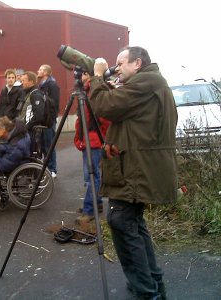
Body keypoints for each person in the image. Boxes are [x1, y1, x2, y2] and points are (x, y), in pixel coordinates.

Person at [89, 46, 178, 300]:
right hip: (141, 168)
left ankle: (146, 290)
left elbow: (106, 106)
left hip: (134, 171)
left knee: (122, 222)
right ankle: (152, 283)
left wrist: (97, 78)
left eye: (120, 63)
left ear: (137, 63)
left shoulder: (145, 84)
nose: (115, 68)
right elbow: (122, 109)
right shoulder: (153, 83)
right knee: (134, 224)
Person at [74, 71, 110, 224]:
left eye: (83, 74)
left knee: (92, 176)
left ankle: (90, 210)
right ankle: (97, 203)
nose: (80, 77)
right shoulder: (87, 91)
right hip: (90, 138)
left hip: (94, 139)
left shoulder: (95, 92)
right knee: (92, 175)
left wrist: (103, 137)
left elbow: (102, 118)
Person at [37, 64, 60, 178]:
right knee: (43, 144)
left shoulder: (52, 85)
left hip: (49, 120)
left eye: (40, 69)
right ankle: (46, 168)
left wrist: (50, 118)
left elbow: (54, 104)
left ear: (46, 72)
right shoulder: (41, 85)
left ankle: (52, 169)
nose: (38, 71)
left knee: (49, 144)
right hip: (42, 120)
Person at [19, 71, 46, 155]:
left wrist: (27, 126)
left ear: (31, 82)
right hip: (27, 131)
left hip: (32, 132)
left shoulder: (36, 94)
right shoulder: (28, 94)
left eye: (23, 80)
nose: (21, 83)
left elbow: (38, 115)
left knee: (32, 155)